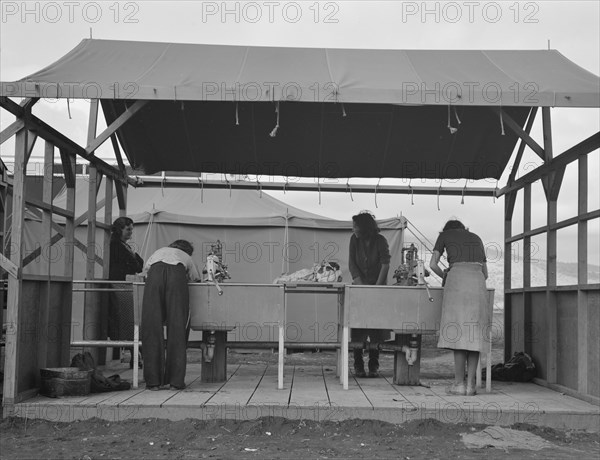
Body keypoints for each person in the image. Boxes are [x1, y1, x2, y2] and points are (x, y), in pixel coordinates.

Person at [429, 219, 489, 396]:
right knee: (474, 336)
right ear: (464, 228)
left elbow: (433, 264)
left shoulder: (444, 236)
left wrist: (446, 274)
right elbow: (485, 274)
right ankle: (471, 386)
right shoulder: (477, 238)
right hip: (477, 282)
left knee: (458, 337)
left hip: (457, 281)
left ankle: (458, 384)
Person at [141, 239, 201, 391]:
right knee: (177, 327)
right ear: (187, 251)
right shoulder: (185, 257)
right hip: (177, 278)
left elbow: (145, 272)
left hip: (154, 278)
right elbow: (196, 279)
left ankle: (153, 382)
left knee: (152, 326)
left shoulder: (157, 252)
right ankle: (175, 382)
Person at [348, 211, 391, 378]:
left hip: (377, 288)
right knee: (357, 327)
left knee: (375, 328)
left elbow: (385, 265)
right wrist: (361, 287)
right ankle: (358, 364)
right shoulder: (354, 240)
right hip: (360, 288)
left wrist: (376, 289)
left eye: (355, 226)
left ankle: (374, 365)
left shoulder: (381, 241)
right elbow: (352, 264)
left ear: (364, 227)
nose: (353, 230)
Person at [108, 217, 144, 364]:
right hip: (120, 286)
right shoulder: (116, 246)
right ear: (120, 229)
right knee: (128, 321)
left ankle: (135, 353)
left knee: (128, 321)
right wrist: (135, 260)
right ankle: (135, 353)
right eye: (128, 229)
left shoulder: (121, 245)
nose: (130, 232)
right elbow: (135, 265)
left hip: (122, 285)